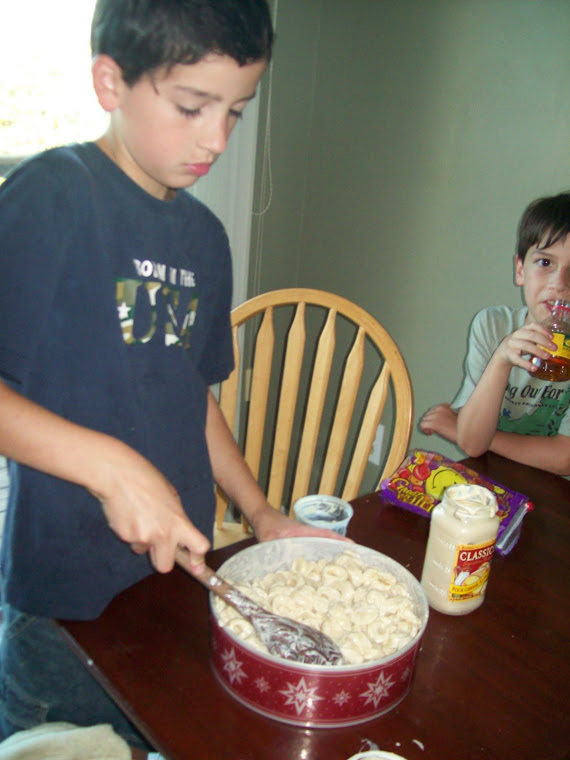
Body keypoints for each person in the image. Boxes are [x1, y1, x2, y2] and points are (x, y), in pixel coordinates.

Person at [0, 1, 341, 755]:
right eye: (192, 107)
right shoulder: (51, 198)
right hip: (68, 601)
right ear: (110, 82)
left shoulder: (206, 240)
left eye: (236, 113)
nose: (216, 139)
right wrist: (112, 468)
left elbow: (196, 395)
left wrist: (258, 509)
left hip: (179, 579)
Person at [420, 192, 570, 477]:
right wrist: (501, 357)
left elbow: (565, 458)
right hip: (488, 477)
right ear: (520, 269)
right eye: (545, 263)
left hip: (554, 493)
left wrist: (460, 429)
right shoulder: (492, 326)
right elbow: (474, 444)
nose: (559, 284)